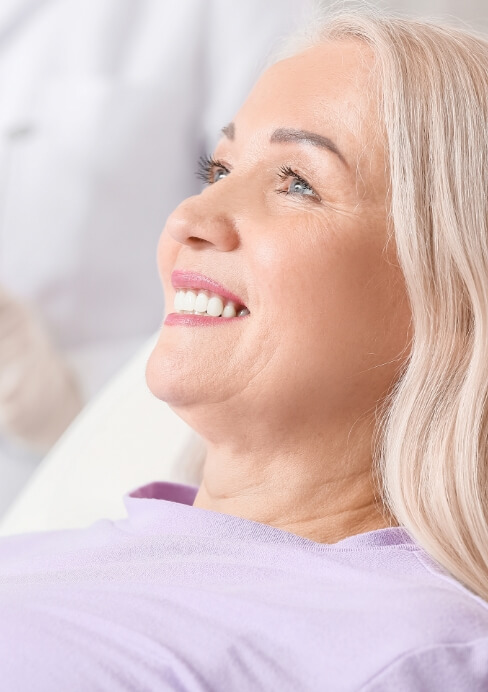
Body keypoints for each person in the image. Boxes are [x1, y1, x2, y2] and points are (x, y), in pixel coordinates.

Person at [1, 7, 488, 690]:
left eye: (297, 183)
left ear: (459, 303)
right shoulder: (47, 555)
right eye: (218, 167)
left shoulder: (403, 651)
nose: (187, 218)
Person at [0, 0, 314, 515]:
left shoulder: (237, 16)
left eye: (215, 172)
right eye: (213, 173)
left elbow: (284, 266)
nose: (191, 220)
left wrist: (70, 391)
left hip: (74, 466)